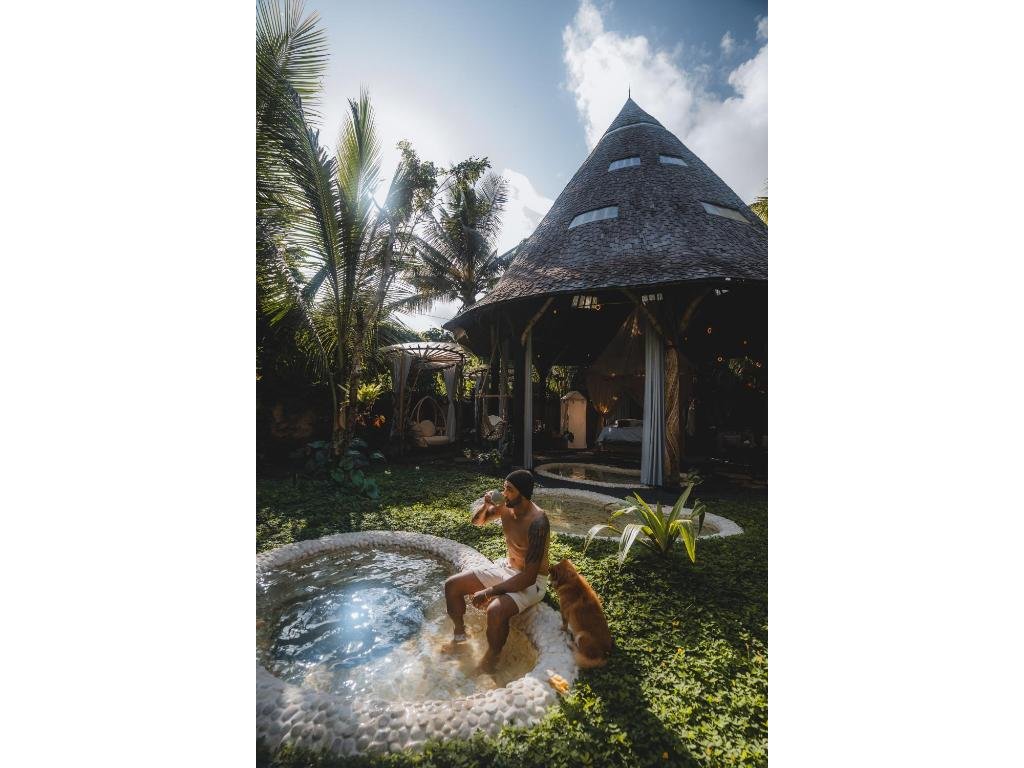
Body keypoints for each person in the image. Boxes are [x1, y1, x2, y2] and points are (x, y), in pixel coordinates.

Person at [442, 469, 550, 673]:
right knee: (452, 586)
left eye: (509, 489)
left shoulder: (538, 522)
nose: (504, 493)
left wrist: (489, 592)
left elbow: (528, 578)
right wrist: (486, 505)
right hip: (507, 568)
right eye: (504, 488)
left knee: (495, 610)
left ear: (523, 494)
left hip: (532, 581)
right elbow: (477, 522)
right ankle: (460, 635)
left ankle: (492, 657)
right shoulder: (505, 507)